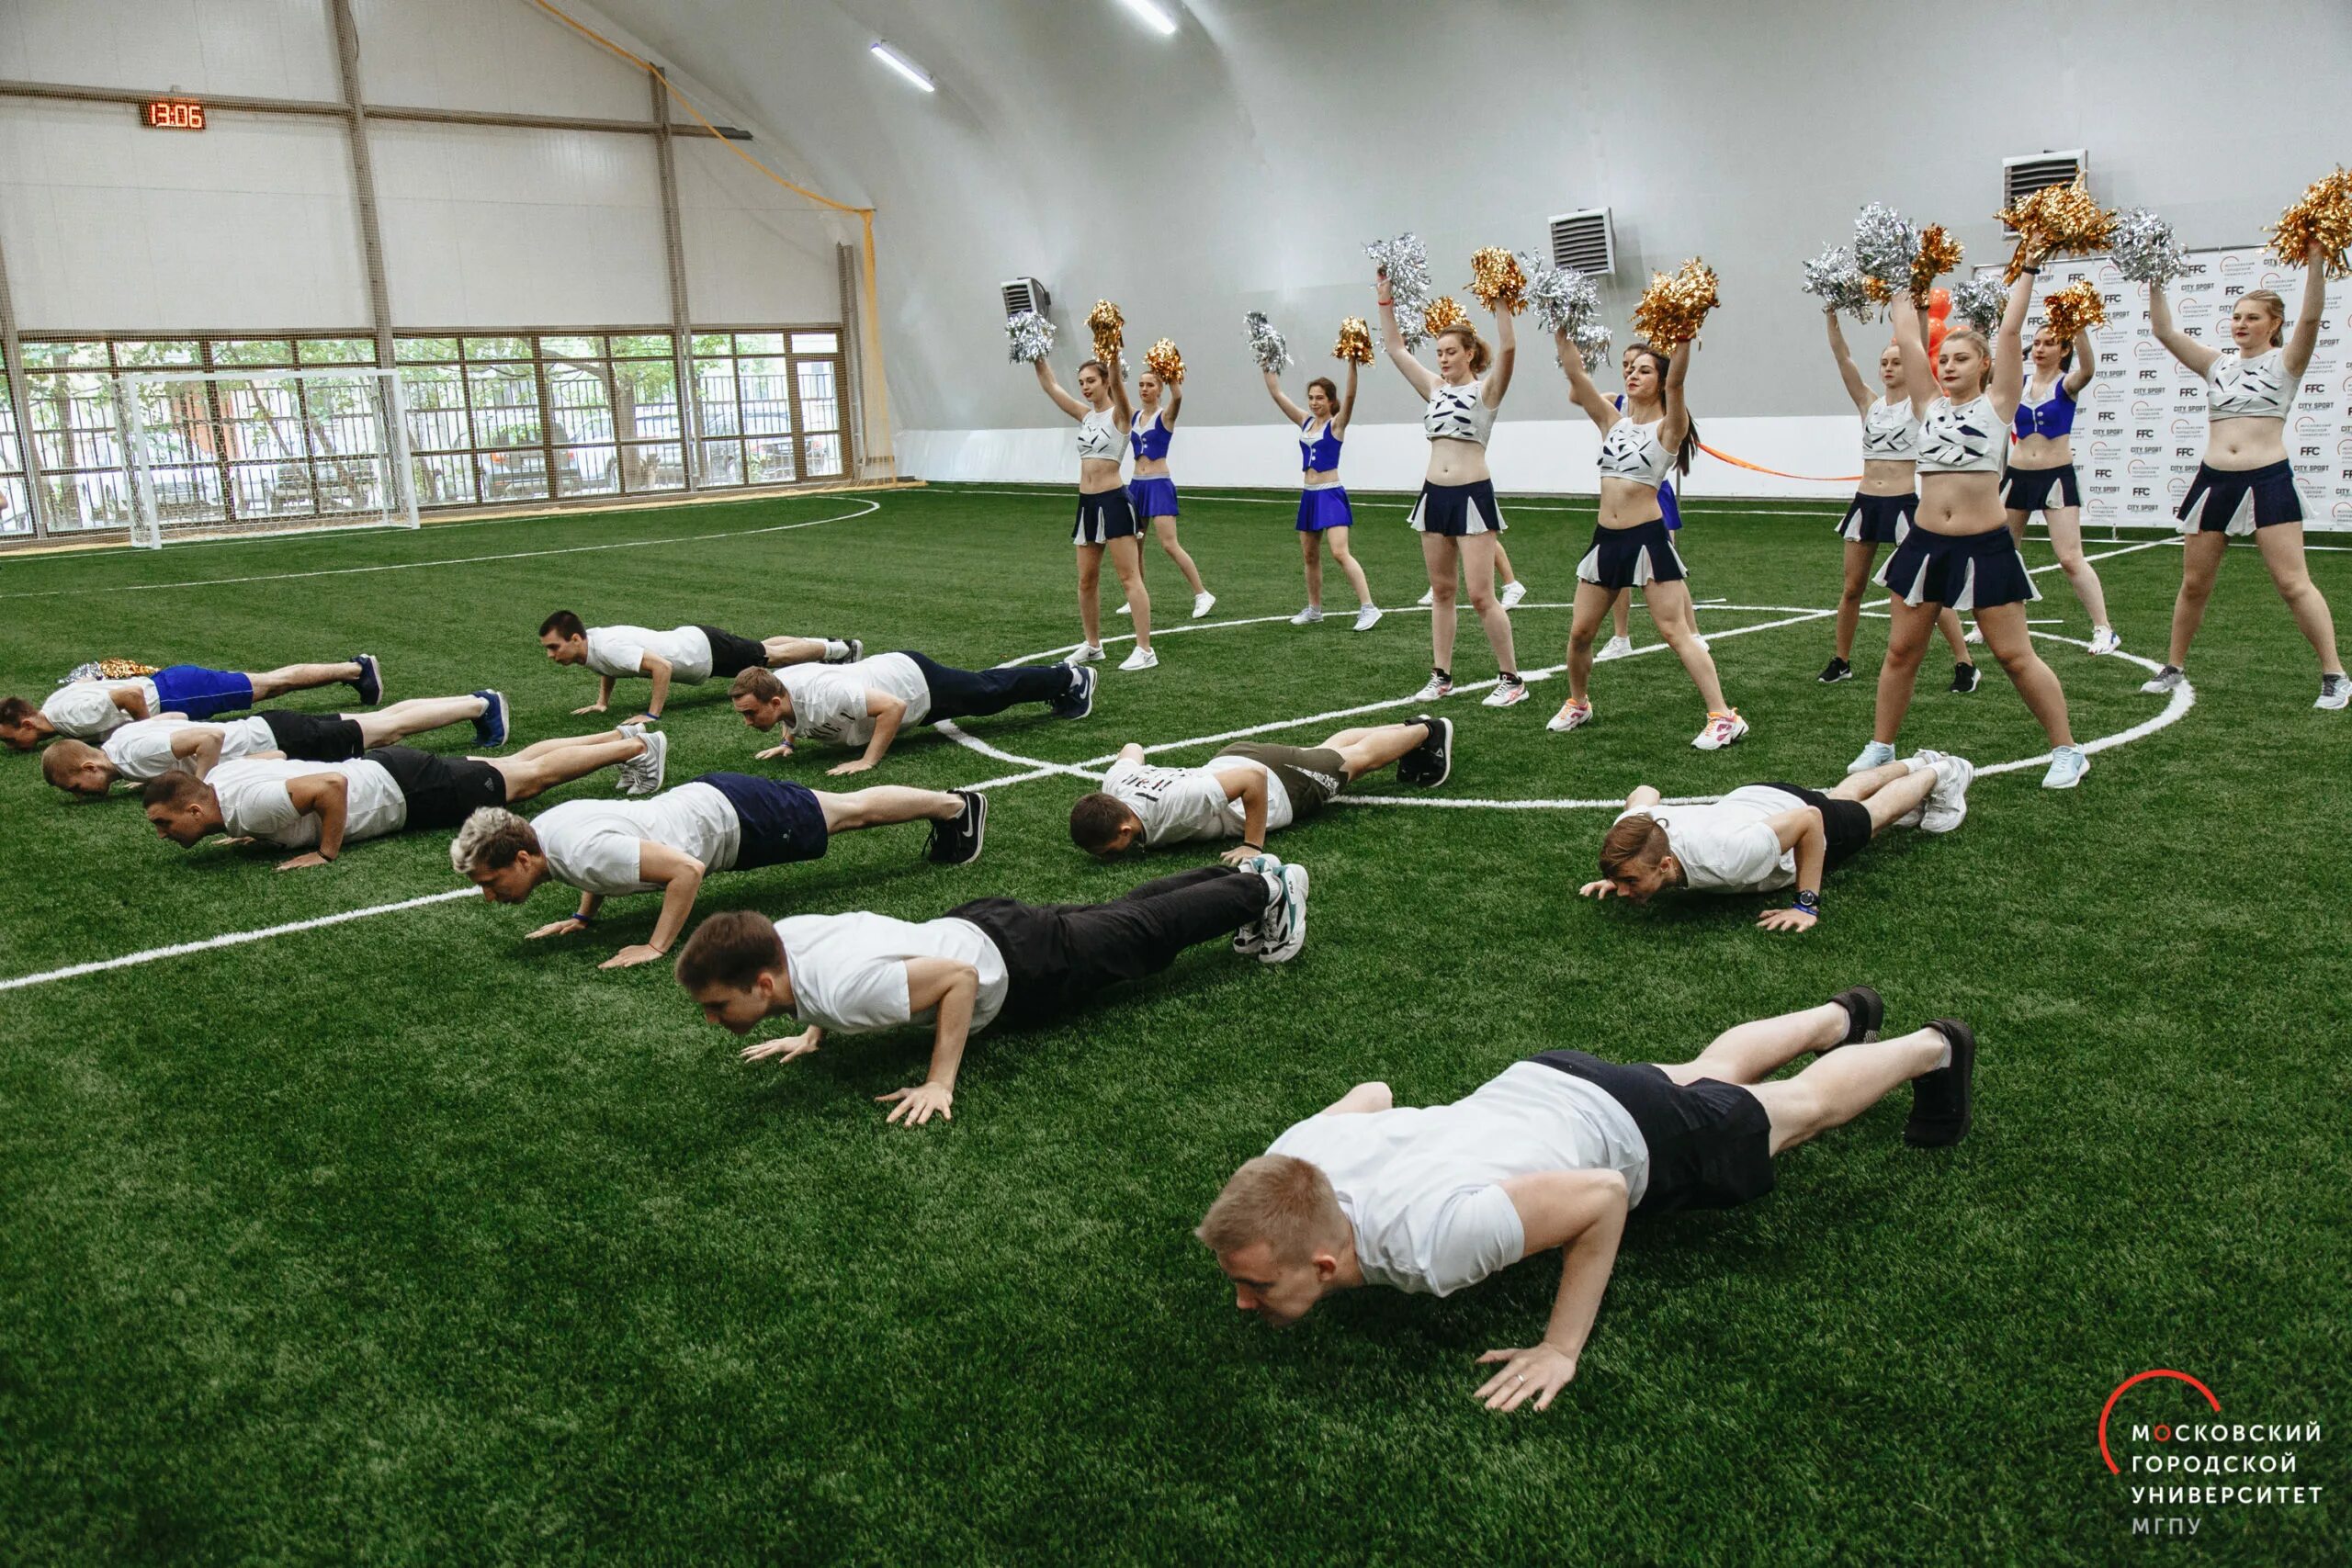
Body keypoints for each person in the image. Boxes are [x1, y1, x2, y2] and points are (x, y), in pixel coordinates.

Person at [1195, 989, 1978, 1412]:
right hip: (1543, 1081)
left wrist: (1559, 1348)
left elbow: (1603, 1198)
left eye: (1256, 1283)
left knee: (1793, 1112)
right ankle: (1842, 1013)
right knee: (1708, 1070)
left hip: (1627, 1131)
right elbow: (1374, 1092)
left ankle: (1932, 1045)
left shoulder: (1431, 1244)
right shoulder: (1292, 1160)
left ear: (1325, 1262)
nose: (1239, 1300)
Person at [675, 855, 1313, 1126]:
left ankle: (1269, 891)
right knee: (1118, 918)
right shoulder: (783, 940)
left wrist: (939, 1082)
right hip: (977, 921)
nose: (712, 1019)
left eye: (717, 1006)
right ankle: (1235, 875)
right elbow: (839, 960)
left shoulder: (843, 992)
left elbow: (958, 981)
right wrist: (811, 1030)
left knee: (1142, 937)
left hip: (1017, 962)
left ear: (761, 982)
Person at [1856, 274, 2088, 788]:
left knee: (2013, 655)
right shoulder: (1926, 406)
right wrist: (1899, 279)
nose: (1948, 366)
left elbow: (2009, 332)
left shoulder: (1999, 403)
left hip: (1986, 548)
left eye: (1961, 359)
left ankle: (2068, 749)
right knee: (1900, 652)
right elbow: (1909, 338)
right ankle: (1881, 744)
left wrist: (2025, 271)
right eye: (1945, 360)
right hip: (1924, 545)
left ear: (1984, 365)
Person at [451, 775, 987, 969]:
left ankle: (956, 809)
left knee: (853, 812)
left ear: (522, 859)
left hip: (741, 819)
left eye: (491, 884)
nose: (492, 897)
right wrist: (584, 917)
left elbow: (686, 871)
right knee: (848, 808)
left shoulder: (579, 852)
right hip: (716, 798)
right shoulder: (545, 832)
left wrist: (656, 946)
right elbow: (603, 856)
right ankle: (951, 806)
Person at [2142, 240, 2346, 709]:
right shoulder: (2217, 365)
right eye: (2236, 316)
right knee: (2194, 583)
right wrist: (2154, 275)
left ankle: (2334, 673)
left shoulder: (2287, 362)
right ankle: (2173, 666)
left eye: (2252, 317)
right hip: (2215, 480)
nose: (2240, 324)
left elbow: (2312, 319)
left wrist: (2316, 258)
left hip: (2267, 479)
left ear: (2274, 324)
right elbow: (2164, 331)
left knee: (2294, 583)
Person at [1549, 335, 1748, 750]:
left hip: (1647, 540)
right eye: (1630, 368)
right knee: (1581, 633)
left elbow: (1677, 384)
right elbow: (1575, 374)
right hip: (1605, 541)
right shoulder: (1612, 421)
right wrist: (1561, 327)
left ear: (1659, 381)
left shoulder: (1669, 427)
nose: (1632, 374)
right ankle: (1579, 702)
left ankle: (1724, 716)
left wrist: (1683, 336)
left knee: (1675, 632)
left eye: (1644, 370)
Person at [141, 725, 666, 871]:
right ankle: (621, 739)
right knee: (517, 766)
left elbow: (330, 787)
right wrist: (256, 829)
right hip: (393, 774)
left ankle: (637, 746)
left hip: (406, 792)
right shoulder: (225, 783)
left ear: (193, 808)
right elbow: (276, 763)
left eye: (165, 825)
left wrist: (325, 851)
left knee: (528, 782)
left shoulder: (247, 807)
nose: (165, 835)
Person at [1577, 750, 1973, 932]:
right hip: (1758, 799)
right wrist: (1620, 871)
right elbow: (1644, 791)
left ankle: (1944, 771)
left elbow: (1809, 820)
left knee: (1874, 817)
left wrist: (1806, 905)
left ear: (1664, 864)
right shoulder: (1637, 830)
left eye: (1631, 882)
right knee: (1840, 797)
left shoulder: (1729, 857)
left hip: (1793, 819)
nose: (1625, 892)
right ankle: (1918, 761)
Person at [1378, 271, 1526, 706]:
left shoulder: (1487, 391)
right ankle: (1441, 675)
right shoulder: (1434, 389)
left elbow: (1511, 349)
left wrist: (1499, 300)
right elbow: (1395, 348)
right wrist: (1385, 301)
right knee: (1442, 592)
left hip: (1472, 496)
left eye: (1450, 352)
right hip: (1433, 497)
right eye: (1439, 352)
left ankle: (1512, 679)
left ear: (1469, 354)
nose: (1442, 359)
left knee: (1481, 595)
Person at [1818, 312, 1979, 691]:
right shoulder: (1869, 404)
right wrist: (1831, 316)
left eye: (1897, 361)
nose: (1889, 368)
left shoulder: (1922, 406)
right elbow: (1843, 358)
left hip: (1905, 504)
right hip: (1866, 504)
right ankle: (1841, 660)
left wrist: (1916, 309)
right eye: (1885, 363)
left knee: (1925, 588)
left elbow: (1918, 343)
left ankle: (1965, 663)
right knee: (1852, 587)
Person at [1069, 717, 1453, 858]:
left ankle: (1428, 731)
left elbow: (1251, 782)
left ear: (1123, 828)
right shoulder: (1115, 784)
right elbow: (1132, 749)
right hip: (1233, 757)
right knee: (1329, 752)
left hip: (1273, 782)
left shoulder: (1178, 804)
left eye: (1108, 850)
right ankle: (1411, 730)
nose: (1109, 856)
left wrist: (1253, 846)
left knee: (1353, 764)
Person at [41, 691, 509, 799]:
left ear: (85, 766)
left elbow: (208, 734)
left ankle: (478, 704)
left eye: (76, 787)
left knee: (387, 731)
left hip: (277, 736)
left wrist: (199, 784)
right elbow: (176, 718)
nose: (83, 793)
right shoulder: (120, 740)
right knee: (381, 723)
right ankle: (476, 702)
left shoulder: (131, 756)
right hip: (270, 729)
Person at [728, 651, 1094, 775]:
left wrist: (868, 761)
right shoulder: (779, 688)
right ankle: (1061, 678)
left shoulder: (825, 693)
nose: (746, 722)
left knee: (989, 694)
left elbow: (893, 707)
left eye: (749, 714)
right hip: (896, 677)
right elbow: (793, 712)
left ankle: (1070, 677)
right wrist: (788, 741)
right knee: (987, 691)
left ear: (774, 702)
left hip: (915, 683)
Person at [1031, 346, 1158, 671]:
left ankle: (1145, 649)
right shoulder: (1084, 416)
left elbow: (1117, 379)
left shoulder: (1120, 415)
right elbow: (1050, 386)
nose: (1085, 387)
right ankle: (1092, 644)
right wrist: (1035, 353)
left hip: (1114, 501)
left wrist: (1112, 348)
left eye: (1091, 381)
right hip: (1086, 504)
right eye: (1082, 382)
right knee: (1086, 580)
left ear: (1105, 383)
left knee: (1129, 578)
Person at [2003, 310, 2119, 654]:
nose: (2039, 348)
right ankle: (1995, 622)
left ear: (2063, 350)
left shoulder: (2066, 383)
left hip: (2055, 477)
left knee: (2070, 558)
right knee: (2003, 552)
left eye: (2049, 343)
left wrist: (2079, 326)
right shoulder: (2018, 384)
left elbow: (2089, 370)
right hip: (2017, 476)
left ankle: (2104, 628)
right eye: (2036, 343)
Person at [2, 653, 382, 750]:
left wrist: (139, 734)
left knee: (270, 684)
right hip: (171, 686)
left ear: (27, 724)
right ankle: (351, 670)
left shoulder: (69, 714)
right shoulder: (56, 704)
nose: (10, 746)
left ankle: (354, 669)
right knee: (268, 684)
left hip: (175, 694)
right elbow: (91, 675)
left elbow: (130, 694)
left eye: (8, 739)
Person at [536, 613, 856, 723]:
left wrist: (652, 714)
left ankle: (840, 649)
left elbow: (662, 667)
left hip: (703, 652)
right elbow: (609, 667)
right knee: (763, 650)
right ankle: (819, 644)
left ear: (576, 638)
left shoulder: (608, 647)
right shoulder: (593, 647)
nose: (551, 655)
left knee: (770, 657)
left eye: (554, 647)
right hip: (699, 645)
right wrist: (602, 703)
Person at [1261, 360, 1380, 630]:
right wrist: (1266, 363)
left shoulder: (1336, 425)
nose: (1314, 403)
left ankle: (1368, 608)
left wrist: (1352, 362)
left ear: (1330, 401)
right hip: (1309, 495)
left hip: (1331, 494)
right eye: (1311, 398)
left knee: (1340, 552)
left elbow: (1350, 396)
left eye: (1320, 398)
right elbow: (1278, 395)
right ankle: (1314, 609)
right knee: (1310, 556)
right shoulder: (1305, 422)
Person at [1122, 360, 1216, 620]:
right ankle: (1135, 596)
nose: (1144, 389)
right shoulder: (1133, 415)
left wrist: (1170, 369)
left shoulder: (1166, 416)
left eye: (1150, 384)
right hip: (1136, 486)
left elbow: (1179, 395)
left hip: (1159, 485)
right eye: (1141, 385)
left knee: (1169, 544)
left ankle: (1202, 594)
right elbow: (1115, 391)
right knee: (1134, 545)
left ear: (1159, 388)